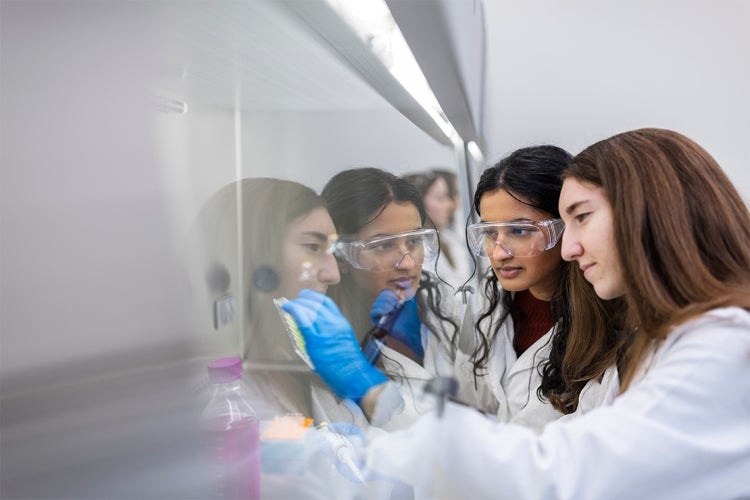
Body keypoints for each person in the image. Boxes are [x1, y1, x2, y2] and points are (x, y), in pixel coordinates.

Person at [361, 128, 750, 499]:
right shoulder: (671, 335)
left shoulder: (723, 348)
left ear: (647, 213)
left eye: (580, 218)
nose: (569, 247)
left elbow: (565, 472)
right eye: (489, 232)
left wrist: (372, 413)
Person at [453, 145, 620, 433]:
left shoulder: (606, 322)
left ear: (564, 227)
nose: (499, 252)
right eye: (490, 232)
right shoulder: (487, 308)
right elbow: (470, 400)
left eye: (519, 231)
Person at [186, 177, 359, 424]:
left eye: (333, 253)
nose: (333, 275)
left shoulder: (292, 358)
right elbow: (291, 450)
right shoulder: (211, 386)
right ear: (250, 256)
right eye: (312, 247)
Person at [316, 167, 462, 428]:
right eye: (383, 246)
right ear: (341, 255)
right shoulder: (331, 348)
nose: (407, 262)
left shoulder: (435, 299)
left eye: (414, 241)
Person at [404, 168, 471, 289]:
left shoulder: (445, 238)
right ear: (420, 204)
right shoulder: (420, 248)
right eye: (440, 198)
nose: (451, 204)